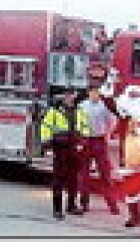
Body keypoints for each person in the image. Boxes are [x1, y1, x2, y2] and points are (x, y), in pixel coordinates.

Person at [40, 89, 91, 220]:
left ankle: (71, 206)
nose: (70, 98)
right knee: (58, 180)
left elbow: (85, 127)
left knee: (73, 179)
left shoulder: (79, 111)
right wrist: (47, 144)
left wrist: (83, 141)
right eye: (67, 96)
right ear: (63, 97)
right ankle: (57, 209)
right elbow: (45, 127)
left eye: (72, 95)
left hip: (75, 148)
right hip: (60, 148)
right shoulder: (54, 111)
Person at [78, 85, 120, 215]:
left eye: (97, 93)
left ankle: (112, 204)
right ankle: (84, 203)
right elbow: (77, 123)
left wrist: (107, 135)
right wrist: (80, 138)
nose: (95, 95)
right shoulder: (82, 106)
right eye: (92, 92)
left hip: (99, 141)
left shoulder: (104, 106)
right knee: (84, 174)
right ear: (88, 93)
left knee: (106, 174)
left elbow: (112, 121)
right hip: (86, 141)